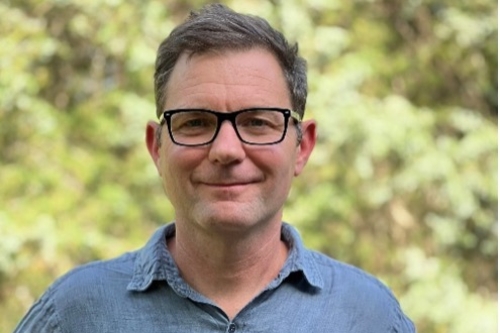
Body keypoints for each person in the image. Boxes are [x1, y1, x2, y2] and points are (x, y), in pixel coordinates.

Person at [14, 3, 415, 332]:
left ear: (301, 146)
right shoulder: (74, 314)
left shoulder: (369, 316)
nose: (226, 150)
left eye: (257, 122)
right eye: (195, 123)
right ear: (157, 147)